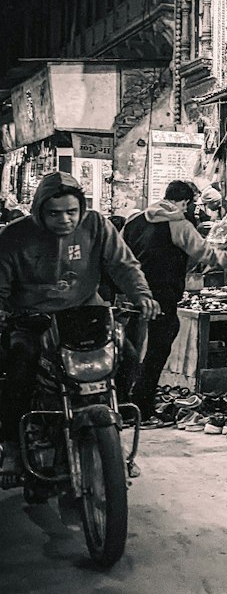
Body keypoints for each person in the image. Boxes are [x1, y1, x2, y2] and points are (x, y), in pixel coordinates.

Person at [0, 171, 159, 476]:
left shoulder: (96, 225)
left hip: (85, 313)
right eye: (54, 213)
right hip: (31, 318)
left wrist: (142, 295)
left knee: (126, 359)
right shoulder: (13, 236)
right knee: (20, 367)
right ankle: (10, 445)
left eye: (71, 212)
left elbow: (123, 264)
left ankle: (112, 429)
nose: (65, 220)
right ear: (39, 211)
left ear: (81, 209)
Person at [121, 180, 227, 422]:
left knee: (130, 348)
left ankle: (121, 402)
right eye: (190, 204)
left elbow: (119, 257)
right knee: (157, 349)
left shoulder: (135, 220)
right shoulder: (177, 223)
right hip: (162, 295)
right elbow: (208, 254)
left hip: (131, 294)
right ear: (183, 202)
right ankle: (142, 405)